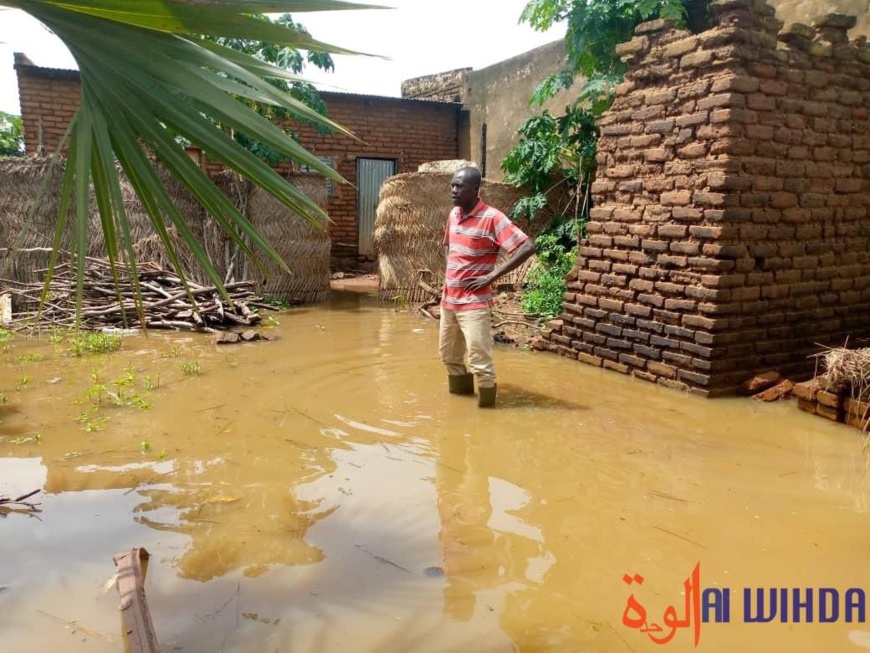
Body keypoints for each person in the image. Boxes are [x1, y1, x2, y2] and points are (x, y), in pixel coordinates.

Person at [439, 166, 536, 408]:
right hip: (449, 301)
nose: (453, 190)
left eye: (459, 186)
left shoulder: (492, 217)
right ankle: (459, 411)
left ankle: (486, 418)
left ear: (475, 189)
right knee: (449, 357)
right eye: (452, 184)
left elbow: (527, 246)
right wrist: (450, 273)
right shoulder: (454, 215)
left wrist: (490, 277)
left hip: (474, 304)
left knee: (480, 363)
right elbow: (448, 245)